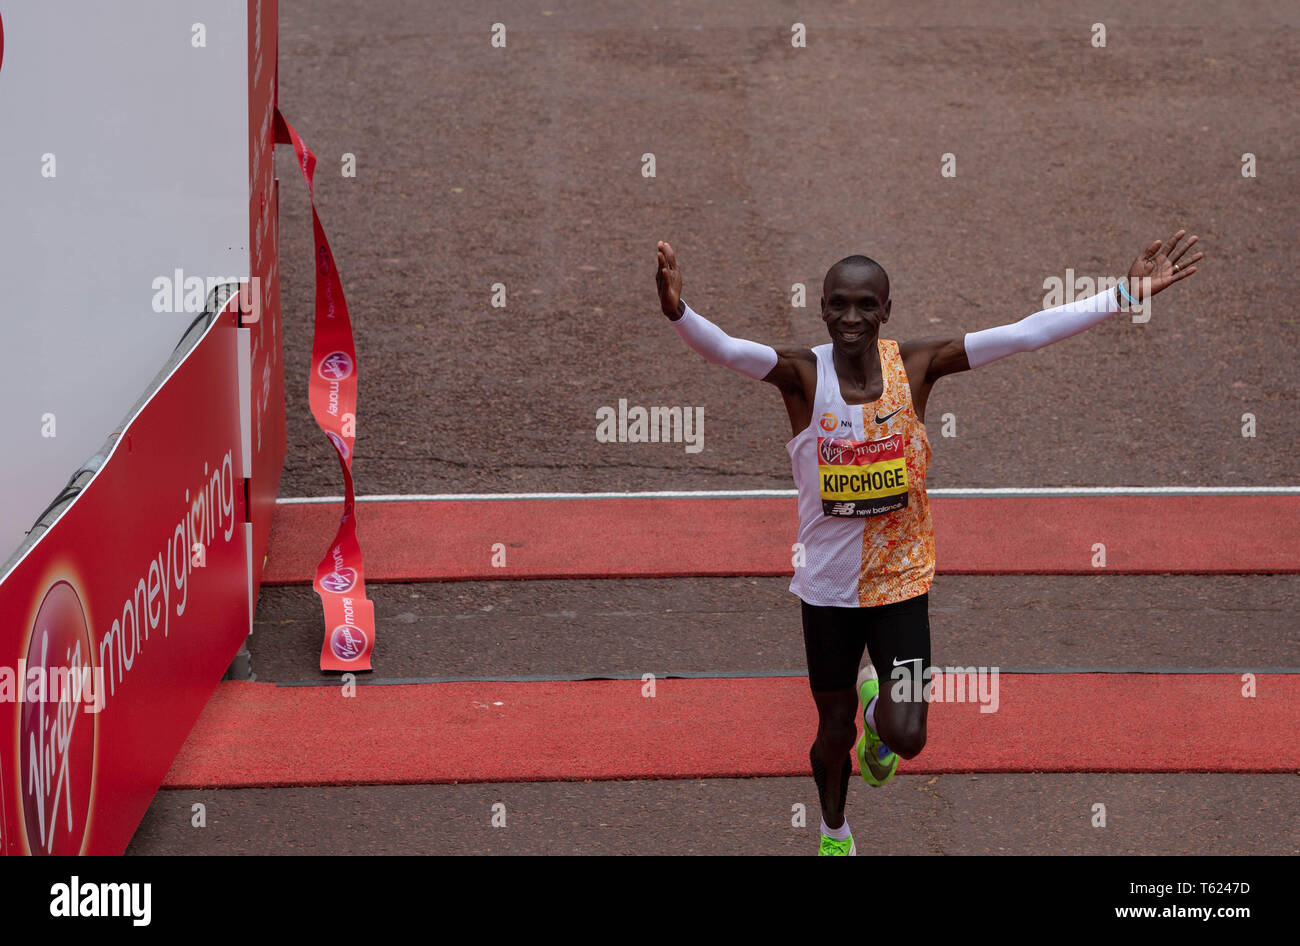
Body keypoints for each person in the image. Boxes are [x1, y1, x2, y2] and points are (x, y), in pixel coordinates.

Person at [654, 232, 1203, 855]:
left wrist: (1123, 294)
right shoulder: (803, 377)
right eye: (838, 304)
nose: (851, 318)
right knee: (830, 734)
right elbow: (726, 350)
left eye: (866, 305)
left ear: (886, 310)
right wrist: (679, 313)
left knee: (908, 737)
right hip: (827, 590)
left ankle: (878, 718)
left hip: (902, 581)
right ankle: (834, 835)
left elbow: (1024, 332)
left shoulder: (916, 366)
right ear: (823, 309)